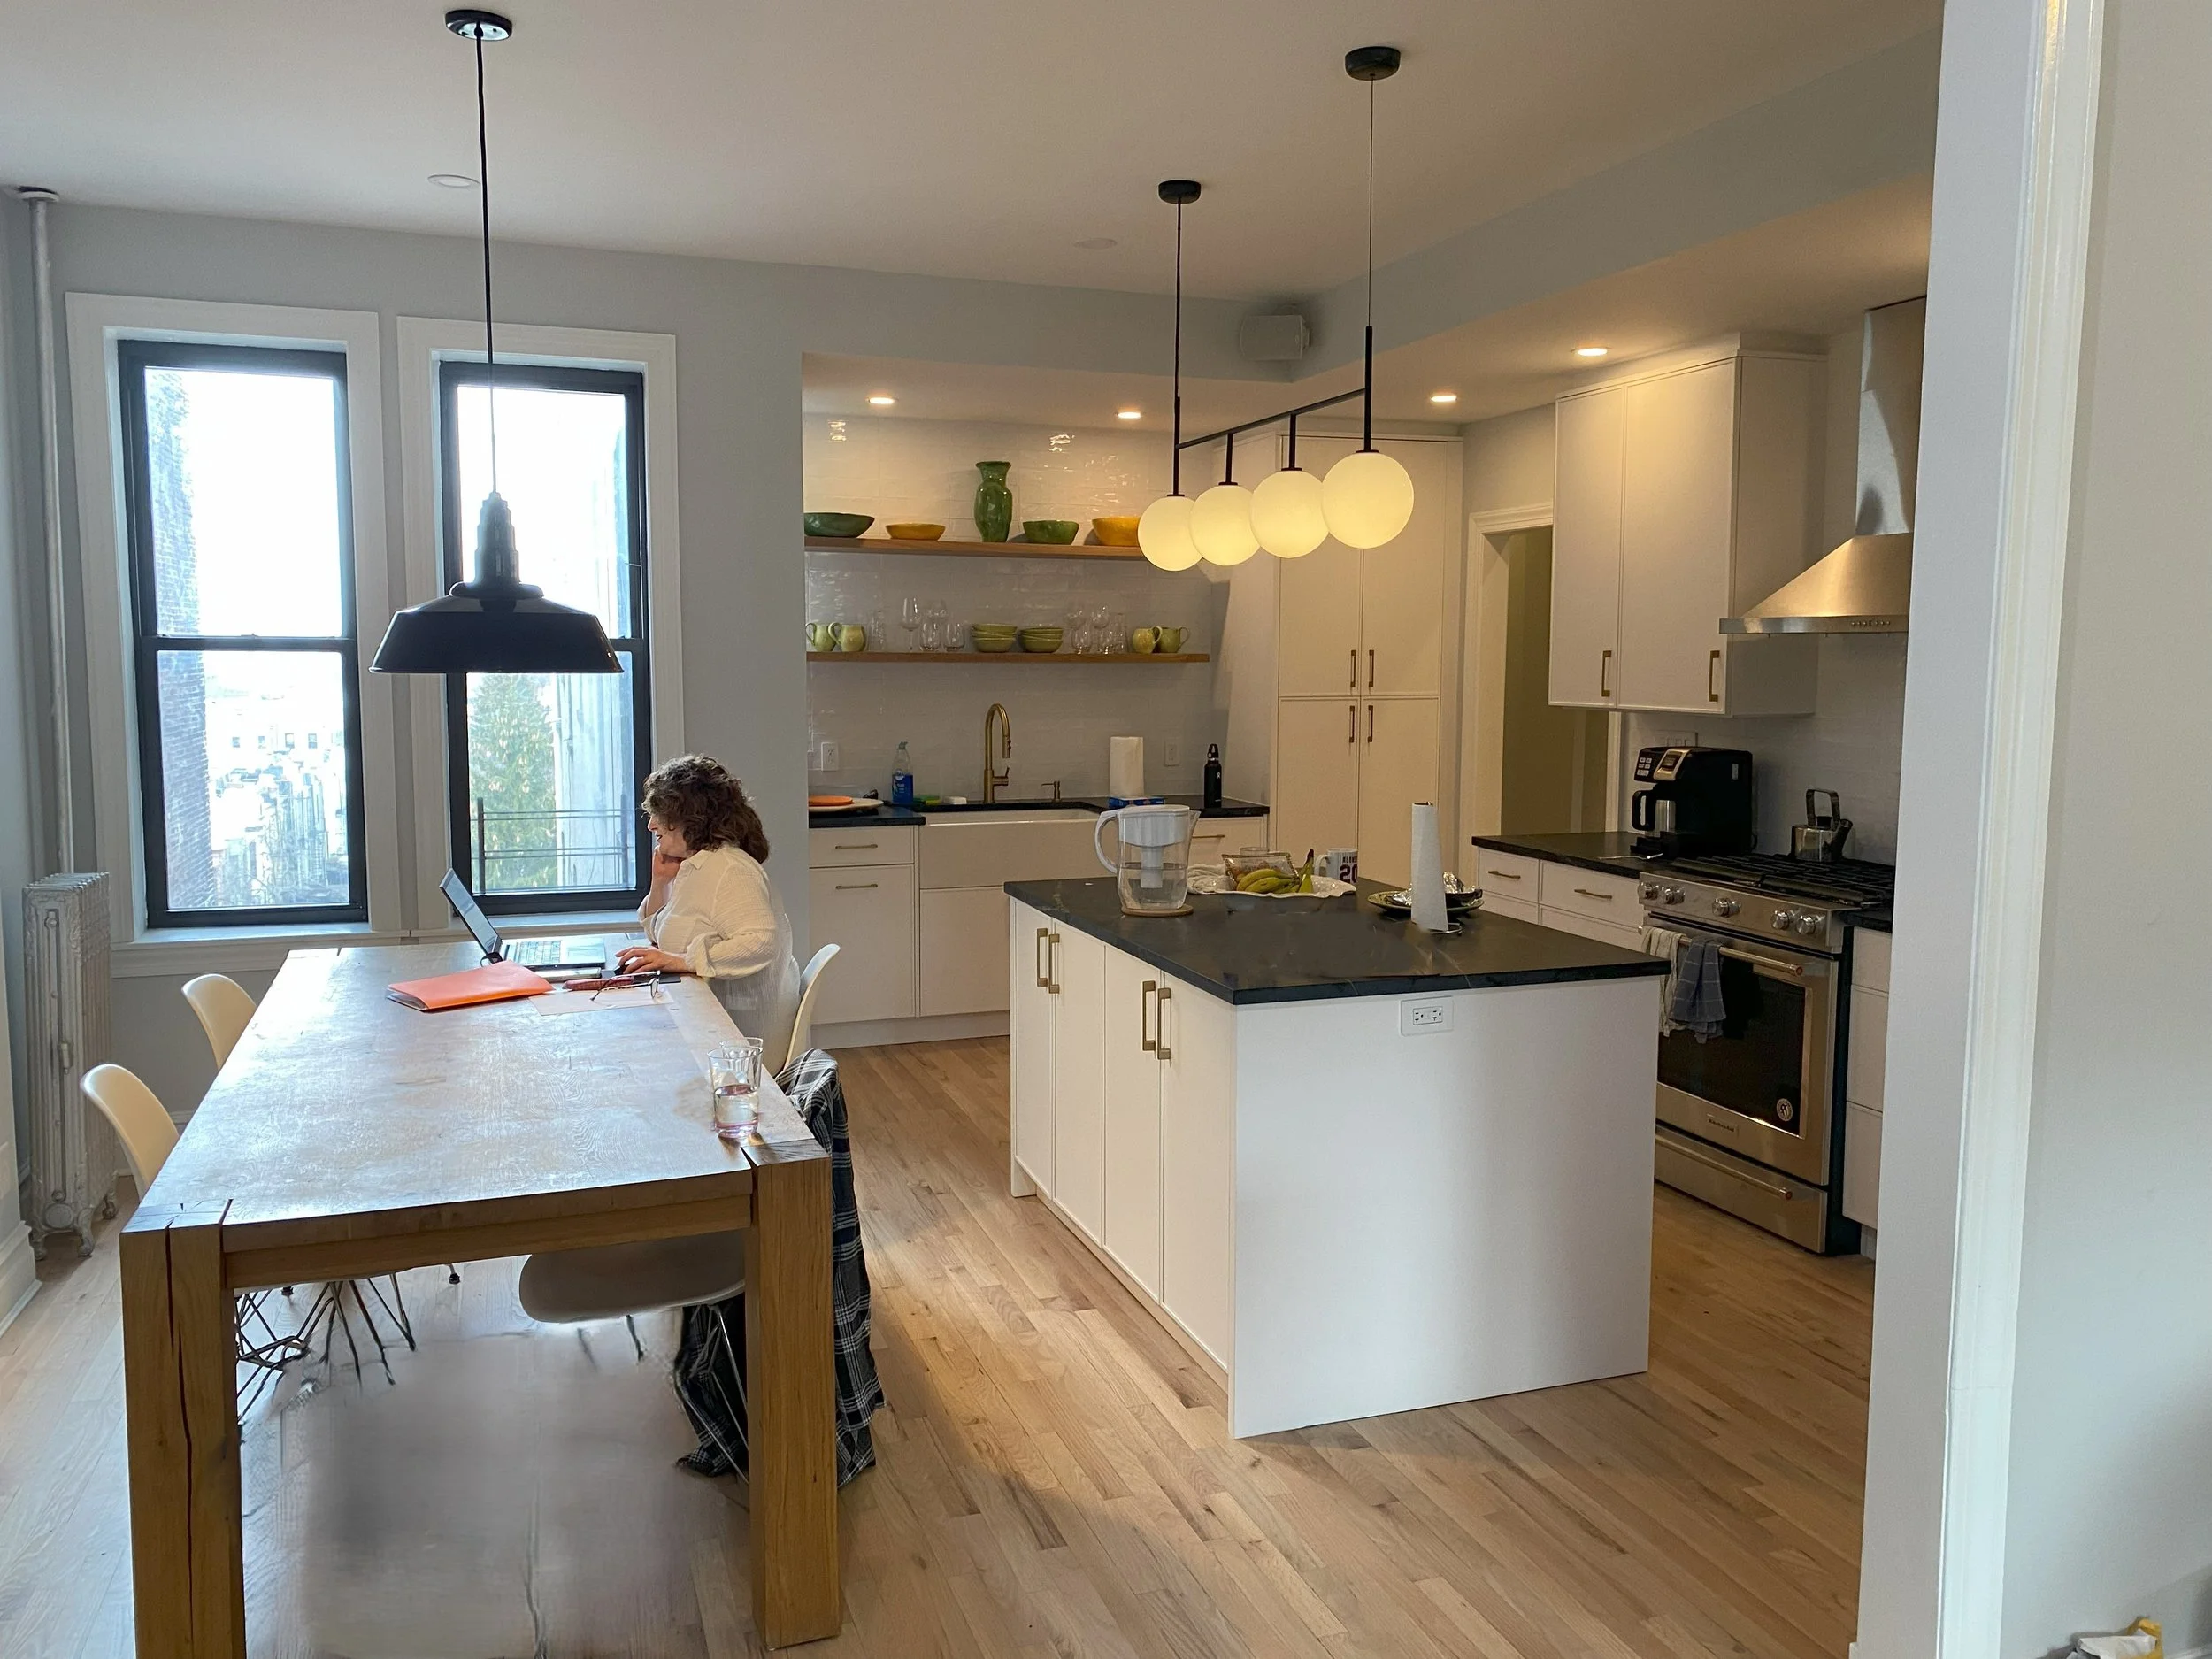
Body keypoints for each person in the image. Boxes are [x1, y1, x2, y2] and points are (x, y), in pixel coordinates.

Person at [617, 756, 801, 1060]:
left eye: (660, 815)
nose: (651, 825)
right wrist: (660, 883)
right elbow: (662, 932)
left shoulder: (729, 869)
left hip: (739, 1043)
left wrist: (685, 961)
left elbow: (760, 942)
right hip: (709, 1024)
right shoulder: (695, 865)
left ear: (692, 818)